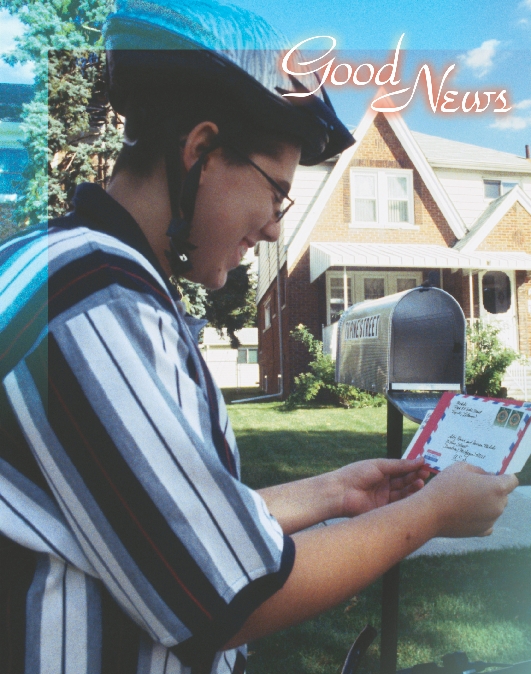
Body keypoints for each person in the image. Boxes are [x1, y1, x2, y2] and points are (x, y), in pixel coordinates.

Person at [0, 1, 518, 673]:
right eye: (275, 193)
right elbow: (230, 599)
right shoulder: (91, 304)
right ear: (201, 152)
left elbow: (157, 522)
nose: (274, 227)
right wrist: (427, 518)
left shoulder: (62, 269)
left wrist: (333, 494)